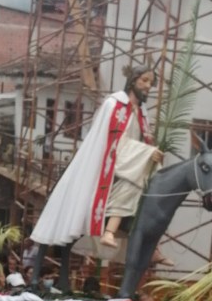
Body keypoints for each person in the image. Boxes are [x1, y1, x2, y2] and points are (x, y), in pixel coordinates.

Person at [31, 65, 163, 250]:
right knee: (132, 183)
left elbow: (143, 139)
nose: (148, 86)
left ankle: (154, 246)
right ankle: (109, 231)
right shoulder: (113, 104)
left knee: (156, 185)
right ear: (133, 81)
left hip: (132, 161)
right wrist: (146, 153)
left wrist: (151, 153)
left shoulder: (142, 112)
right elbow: (115, 143)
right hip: (112, 161)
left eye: (151, 82)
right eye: (145, 80)